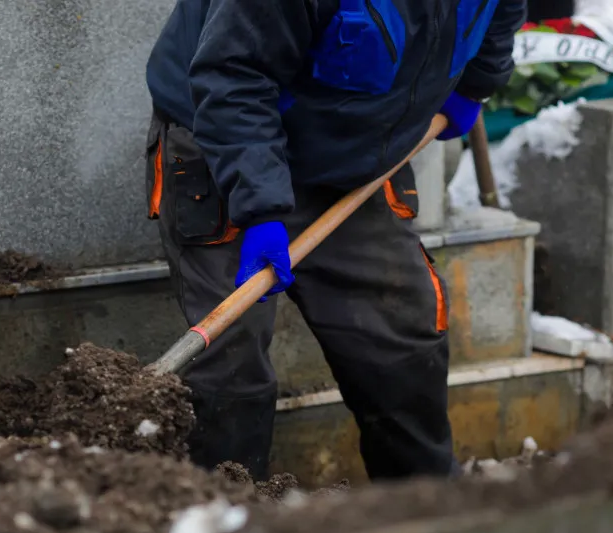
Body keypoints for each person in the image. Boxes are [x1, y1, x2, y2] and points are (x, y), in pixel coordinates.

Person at [144, 0, 525, 481]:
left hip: (354, 159)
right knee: (230, 367)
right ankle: (229, 515)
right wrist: (260, 209)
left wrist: (477, 81)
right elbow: (234, 79)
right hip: (229, 148)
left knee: (401, 335)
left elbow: (501, 8)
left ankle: (427, 507)